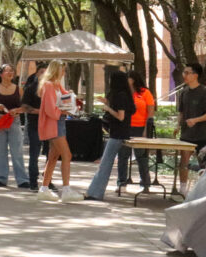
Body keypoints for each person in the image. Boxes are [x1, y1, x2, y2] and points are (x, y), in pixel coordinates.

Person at [37, 60, 82, 202]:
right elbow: (50, 109)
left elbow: (65, 98)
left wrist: (71, 99)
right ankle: (66, 190)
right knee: (66, 155)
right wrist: (64, 111)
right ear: (56, 70)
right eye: (62, 70)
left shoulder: (55, 85)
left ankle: (44, 189)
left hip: (58, 122)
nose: (64, 72)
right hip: (54, 123)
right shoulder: (49, 85)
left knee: (53, 157)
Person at [86, 71, 135, 200]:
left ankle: (95, 192)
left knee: (105, 163)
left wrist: (108, 109)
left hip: (118, 133)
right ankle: (95, 191)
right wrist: (107, 103)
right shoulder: (124, 95)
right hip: (120, 132)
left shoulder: (120, 95)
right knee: (106, 162)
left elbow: (120, 116)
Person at [175, 62, 206, 195]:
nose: (184, 75)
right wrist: (178, 125)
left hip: (203, 135)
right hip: (186, 135)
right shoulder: (183, 92)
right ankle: (182, 189)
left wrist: (195, 120)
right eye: (184, 72)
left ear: (195, 75)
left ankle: (204, 191)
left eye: (187, 73)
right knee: (184, 161)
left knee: (203, 164)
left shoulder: (205, 92)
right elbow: (181, 112)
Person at [0, 64, 29, 188]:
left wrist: (17, 110)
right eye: (7, 71)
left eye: (11, 71)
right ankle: (1, 178)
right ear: (0, 74)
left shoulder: (19, 89)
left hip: (14, 121)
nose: (10, 73)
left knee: (17, 151)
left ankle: (22, 180)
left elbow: (26, 107)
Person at [119, 71, 155, 191]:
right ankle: (122, 183)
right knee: (123, 156)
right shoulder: (124, 93)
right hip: (126, 128)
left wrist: (146, 129)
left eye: (127, 78)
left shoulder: (145, 92)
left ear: (133, 79)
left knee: (141, 157)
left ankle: (145, 183)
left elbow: (150, 112)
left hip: (140, 128)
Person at [20, 62, 48, 190]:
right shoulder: (31, 88)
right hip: (35, 125)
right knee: (34, 154)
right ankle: (33, 181)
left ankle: (48, 180)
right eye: (42, 72)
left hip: (49, 125)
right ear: (36, 74)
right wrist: (39, 111)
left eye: (47, 72)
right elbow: (24, 106)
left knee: (50, 155)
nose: (44, 75)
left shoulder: (52, 89)